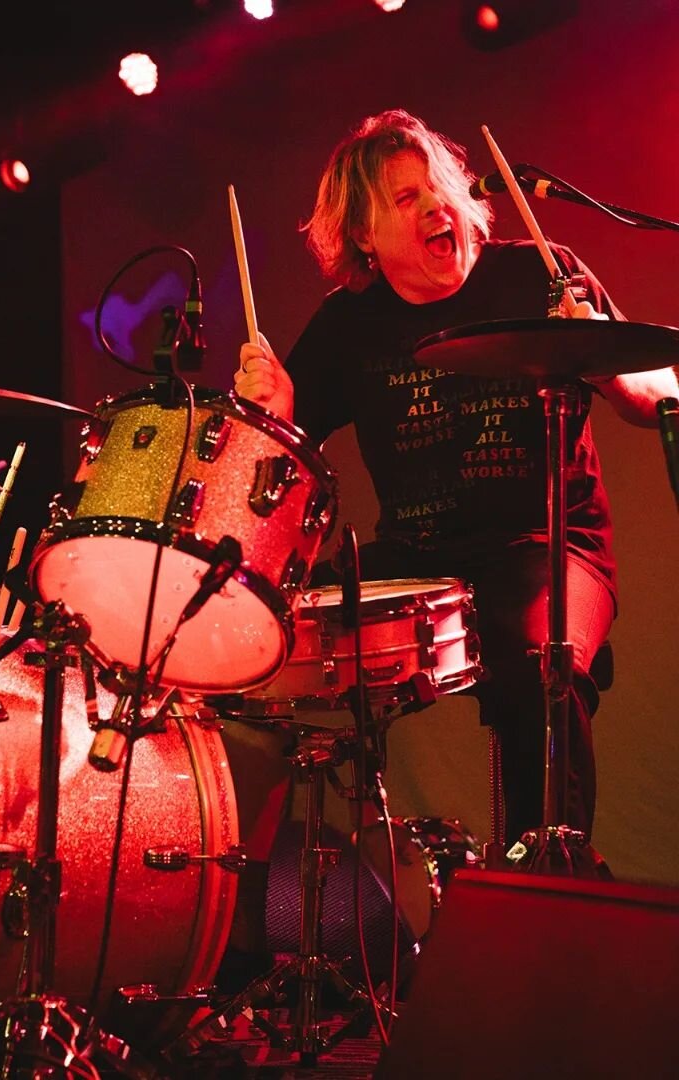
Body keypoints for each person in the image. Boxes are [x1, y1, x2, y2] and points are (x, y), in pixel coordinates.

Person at [234, 108, 679, 854]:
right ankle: (252, 897)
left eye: (439, 187)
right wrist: (275, 414)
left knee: (545, 665)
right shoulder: (349, 324)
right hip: (418, 557)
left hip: (549, 546)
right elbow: (278, 453)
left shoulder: (540, 271)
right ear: (364, 236)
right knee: (259, 648)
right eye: (406, 199)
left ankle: (549, 884)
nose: (436, 205)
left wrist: (605, 357)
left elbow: (653, 396)